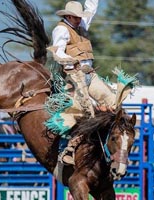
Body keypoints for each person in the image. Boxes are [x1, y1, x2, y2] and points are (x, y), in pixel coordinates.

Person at [49, 0, 118, 166]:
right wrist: (74, 62)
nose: (79, 20)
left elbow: (91, 8)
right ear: (68, 16)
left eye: (80, 17)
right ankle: (68, 148)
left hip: (89, 75)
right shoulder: (61, 30)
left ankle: (112, 143)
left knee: (113, 102)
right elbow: (57, 52)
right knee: (81, 110)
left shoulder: (80, 26)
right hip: (72, 76)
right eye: (76, 17)